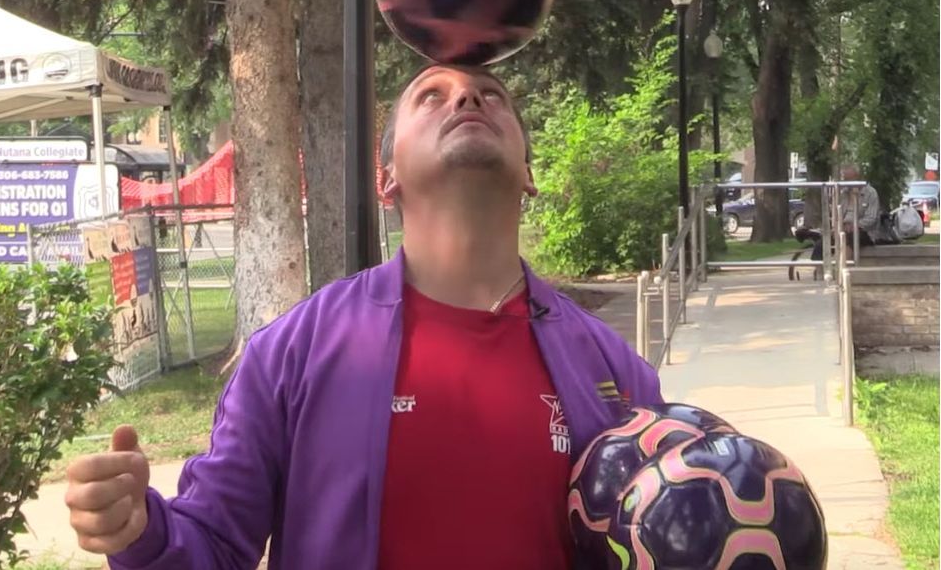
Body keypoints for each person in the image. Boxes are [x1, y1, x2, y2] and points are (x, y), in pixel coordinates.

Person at [64, 64, 663, 570]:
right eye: (431, 96)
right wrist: (142, 532)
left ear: (529, 174)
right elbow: (215, 544)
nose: (467, 97)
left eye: (492, 95)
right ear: (386, 179)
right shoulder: (295, 353)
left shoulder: (616, 372)